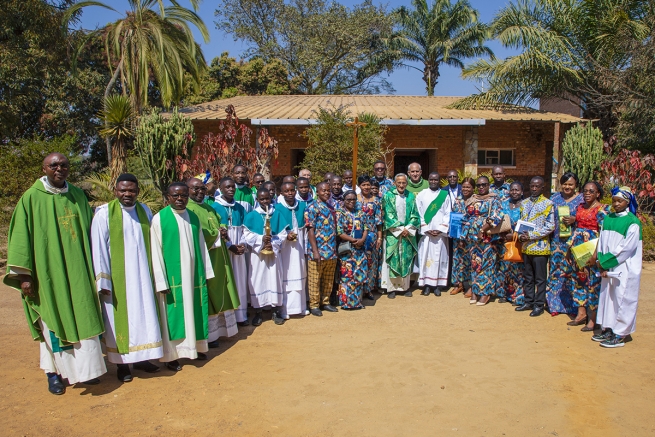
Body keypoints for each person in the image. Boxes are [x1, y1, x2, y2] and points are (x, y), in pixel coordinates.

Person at [4, 153, 106, 394]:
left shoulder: (77, 195)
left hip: (79, 271)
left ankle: (86, 371)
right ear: (44, 168)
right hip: (48, 274)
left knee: (84, 316)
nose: (59, 169)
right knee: (52, 320)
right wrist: (25, 276)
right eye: (54, 165)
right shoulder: (30, 198)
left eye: (64, 165)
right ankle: (54, 374)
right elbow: (19, 238)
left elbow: (92, 232)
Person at [91, 173, 162, 382]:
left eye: (131, 190)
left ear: (138, 191)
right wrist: (103, 280)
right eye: (123, 190)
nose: (127, 194)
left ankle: (142, 359)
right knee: (120, 320)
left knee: (144, 316)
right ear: (115, 191)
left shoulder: (144, 210)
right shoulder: (104, 214)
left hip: (143, 275)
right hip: (118, 278)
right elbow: (98, 247)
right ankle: (122, 365)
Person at [150, 182, 214, 372]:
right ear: (167, 197)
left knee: (194, 310)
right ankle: (172, 355)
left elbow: (202, 246)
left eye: (183, 195)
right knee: (173, 315)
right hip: (173, 280)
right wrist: (161, 281)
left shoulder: (193, 217)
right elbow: (155, 251)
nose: (180, 199)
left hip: (194, 275)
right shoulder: (159, 219)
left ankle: (195, 347)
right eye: (175, 195)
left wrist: (206, 272)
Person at [186, 178, 240, 347]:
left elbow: (218, 220)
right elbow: (198, 233)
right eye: (195, 189)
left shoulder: (208, 207)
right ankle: (208, 335)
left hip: (219, 256)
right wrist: (217, 234)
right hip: (205, 258)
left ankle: (219, 331)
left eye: (202, 188)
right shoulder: (187, 210)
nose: (200, 192)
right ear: (187, 189)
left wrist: (222, 228)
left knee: (220, 289)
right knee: (208, 293)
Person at [592, 187, 642, 348]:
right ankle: (609, 328)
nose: (616, 204)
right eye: (614, 200)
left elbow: (625, 249)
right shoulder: (608, 218)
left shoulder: (632, 222)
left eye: (619, 201)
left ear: (627, 202)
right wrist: (601, 262)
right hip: (608, 266)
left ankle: (621, 333)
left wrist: (605, 262)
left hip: (623, 267)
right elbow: (602, 242)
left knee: (623, 298)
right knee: (608, 298)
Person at [567, 181, 610, 331]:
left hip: (593, 248)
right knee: (579, 279)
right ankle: (581, 313)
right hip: (578, 248)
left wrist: (595, 254)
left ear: (598, 193)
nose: (587, 194)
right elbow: (576, 229)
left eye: (591, 191)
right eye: (585, 191)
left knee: (593, 283)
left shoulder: (603, 209)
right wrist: (569, 250)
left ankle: (593, 319)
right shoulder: (580, 207)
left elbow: (604, 233)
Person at [243, 188, 288, 326]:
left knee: (275, 278)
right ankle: (258, 311)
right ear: (257, 200)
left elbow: (283, 234)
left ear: (271, 198)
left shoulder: (278, 214)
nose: (265, 201)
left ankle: (275, 311)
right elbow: (247, 234)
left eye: (267, 199)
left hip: (273, 254)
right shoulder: (252, 215)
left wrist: (272, 243)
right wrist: (263, 240)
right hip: (258, 255)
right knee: (258, 279)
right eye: (261, 199)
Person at [211, 177, 250, 326]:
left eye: (233, 187)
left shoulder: (240, 207)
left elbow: (246, 228)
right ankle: (228, 319)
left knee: (240, 279)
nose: (231, 189)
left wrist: (242, 244)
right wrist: (229, 245)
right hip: (224, 249)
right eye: (227, 187)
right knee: (226, 280)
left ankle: (241, 316)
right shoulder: (215, 207)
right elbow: (217, 231)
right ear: (220, 189)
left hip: (239, 248)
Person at [515, 176, 555, 317]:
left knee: (540, 278)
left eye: (537, 186)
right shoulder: (524, 203)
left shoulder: (548, 204)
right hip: (526, 246)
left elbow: (550, 226)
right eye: (532, 186)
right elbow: (521, 222)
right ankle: (528, 301)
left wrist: (531, 235)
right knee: (528, 277)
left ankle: (539, 305)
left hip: (540, 247)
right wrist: (520, 235)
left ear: (542, 187)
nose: (534, 189)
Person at [461, 176, 503, 306]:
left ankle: (486, 293)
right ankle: (475, 291)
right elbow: (466, 218)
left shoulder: (494, 199)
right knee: (475, 265)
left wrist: (482, 230)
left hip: (487, 239)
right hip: (472, 239)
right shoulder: (472, 199)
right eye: (478, 185)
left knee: (487, 265)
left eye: (484, 185)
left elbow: (497, 216)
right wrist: (463, 236)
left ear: (488, 185)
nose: (481, 187)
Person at [546, 172, 584, 316]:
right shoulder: (554, 199)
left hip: (573, 243)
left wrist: (575, 219)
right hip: (556, 242)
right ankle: (554, 305)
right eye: (565, 184)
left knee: (572, 274)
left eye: (570, 184)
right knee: (555, 272)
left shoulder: (581, 200)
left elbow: (587, 219)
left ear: (576, 186)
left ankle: (573, 307)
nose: (567, 187)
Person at [381, 173, 420, 298]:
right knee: (393, 259)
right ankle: (391, 288)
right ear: (395, 183)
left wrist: (407, 229)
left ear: (406, 183)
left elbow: (415, 215)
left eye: (404, 183)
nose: (401, 185)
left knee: (406, 258)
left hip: (407, 234)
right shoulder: (388, 196)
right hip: (394, 234)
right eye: (399, 183)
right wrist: (399, 229)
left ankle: (405, 287)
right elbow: (388, 215)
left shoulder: (411, 196)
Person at [304, 182, 339, 316]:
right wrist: (315, 251)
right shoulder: (311, 208)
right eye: (323, 190)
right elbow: (310, 230)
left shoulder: (331, 207)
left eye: (328, 191)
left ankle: (325, 302)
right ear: (317, 192)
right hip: (317, 251)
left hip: (331, 250)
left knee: (328, 279)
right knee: (315, 279)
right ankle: (314, 305)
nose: (326, 193)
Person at [416, 172, 451, 296]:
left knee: (439, 259)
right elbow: (418, 213)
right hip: (427, 234)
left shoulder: (444, 195)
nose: (433, 181)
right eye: (431, 179)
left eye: (436, 180)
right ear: (428, 180)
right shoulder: (422, 194)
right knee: (426, 258)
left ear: (439, 181)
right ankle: (426, 285)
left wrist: (440, 229)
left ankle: (436, 285)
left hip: (440, 235)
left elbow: (448, 213)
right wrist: (426, 228)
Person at [277, 182, 308, 318]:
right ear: (282, 193)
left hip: (299, 244)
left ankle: (301, 307)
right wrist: (285, 235)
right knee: (287, 274)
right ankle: (285, 309)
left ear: (295, 191)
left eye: (292, 190)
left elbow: (306, 228)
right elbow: (275, 229)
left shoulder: (302, 205)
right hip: (286, 248)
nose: (289, 193)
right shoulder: (277, 208)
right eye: (286, 191)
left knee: (300, 271)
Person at [336, 191, 369, 309]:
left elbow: (366, 228)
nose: (351, 202)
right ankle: (346, 303)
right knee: (347, 276)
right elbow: (339, 232)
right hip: (348, 250)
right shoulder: (340, 213)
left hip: (360, 250)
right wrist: (354, 240)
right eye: (348, 199)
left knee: (358, 276)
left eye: (354, 199)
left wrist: (362, 239)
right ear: (344, 200)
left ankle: (357, 302)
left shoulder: (360, 213)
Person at [497, 182, 525, 305]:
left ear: (522, 192)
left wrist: (515, 236)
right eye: (512, 190)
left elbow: (528, 225)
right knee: (504, 268)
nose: (514, 192)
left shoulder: (525, 206)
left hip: (519, 242)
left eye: (517, 190)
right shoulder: (503, 205)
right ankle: (504, 294)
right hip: (504, 242)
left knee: (518, 270)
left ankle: (517, 297)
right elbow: (497, 220)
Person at [357, 176, 383, 300]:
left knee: (371, 263)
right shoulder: (355, 200)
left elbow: (379, 221)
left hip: (371, 236)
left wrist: (379, 238)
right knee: (359, 262)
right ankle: (359, 289)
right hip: (357, 236)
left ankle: (369, 290)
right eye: (363, 185)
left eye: (368, 185)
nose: (366, 187)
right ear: (359, 186)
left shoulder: (376, 201)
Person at [450, 178, 475, 297]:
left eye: (468, 187)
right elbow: (454, 218)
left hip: (470, 237)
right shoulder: (458, 200)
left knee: (469, 262)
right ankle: (458, 284)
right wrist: (457, 236)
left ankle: (469, 286)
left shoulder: (475, 201)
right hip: (458, 236)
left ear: (473, 188)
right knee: (457, 261)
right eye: (464, 187)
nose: (465, 189)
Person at [444, 170, 462, 292]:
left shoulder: (464, 189)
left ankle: (461, 282)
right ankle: (448, 279)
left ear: (458, 178)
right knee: (448, 252)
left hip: (459, 225)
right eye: (450, 176)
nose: (452, 178)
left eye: (454, 176)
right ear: (447, 178)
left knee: (458, 253)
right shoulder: (442, 191)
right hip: (446, 225)